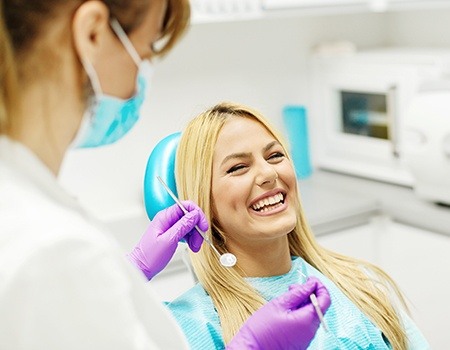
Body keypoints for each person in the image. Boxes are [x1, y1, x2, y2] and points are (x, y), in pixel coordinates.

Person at [0, 1, 330, 349]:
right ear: (93, 33)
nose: (142, 76)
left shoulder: (28, 210)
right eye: (148, 48)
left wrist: (131, 269)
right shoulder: (54, 250)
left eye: (275, 155)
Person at [168, 101, 431, 349]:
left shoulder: (358, 285)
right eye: (238, 167)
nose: (269, 174)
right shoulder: (189, 325)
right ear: (203, 201)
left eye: (274, 156)